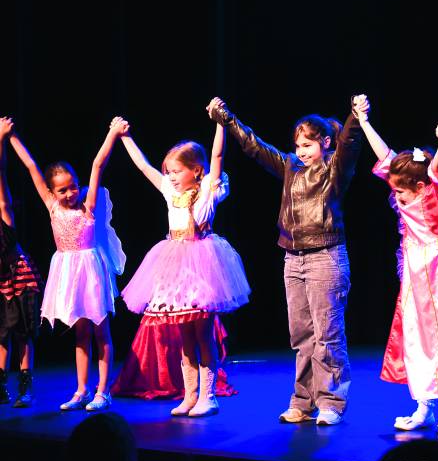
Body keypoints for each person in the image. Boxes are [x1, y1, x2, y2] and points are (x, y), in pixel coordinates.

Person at [207, 95, 364, 425]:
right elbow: (256, 147)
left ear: (324, 142)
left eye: (308, 144)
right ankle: (303, 401)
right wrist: (228, 119)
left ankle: (331, 402)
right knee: (302, 335)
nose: (302, 151)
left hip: (326, 257)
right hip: (293, 259)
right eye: (298, 145)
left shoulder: (335, 168)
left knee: (327, 334)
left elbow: (349, 143)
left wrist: (354, 115)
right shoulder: (291, 167)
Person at [116, 103, 250, 417]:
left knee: (203, 335)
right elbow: (144, 167)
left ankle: (209, 396)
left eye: (177, 171)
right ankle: (189, 395)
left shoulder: (207, 192)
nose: (171, 177)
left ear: (196, 171)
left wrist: (220, 123)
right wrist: (125, 138)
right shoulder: (168, 191)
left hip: (203, 267)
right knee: (184, 337)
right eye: (170, 172)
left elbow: (217, 157)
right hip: (175, 269)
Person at [356, 100, 438, 434]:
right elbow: (385, 156)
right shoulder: (404, 180)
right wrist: (363, 122)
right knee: (416, 335)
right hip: (413, 270)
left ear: (420, 187)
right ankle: (424, 405)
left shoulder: (435, 191)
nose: (396, 197)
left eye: (401, 192)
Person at [9, 118, 127, 411]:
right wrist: (11, 136)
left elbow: (98, 165)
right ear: (52, 192)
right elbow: (32, 168)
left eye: (72, 187)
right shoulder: (51, 206)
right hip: (67, 270)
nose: (69, 194)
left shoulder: (88, 206)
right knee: (80, 332)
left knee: (101, 331)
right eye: (62, 190)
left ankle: (103, 391)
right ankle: (81, 390)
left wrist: (112, 133)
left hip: (90, 269)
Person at [0, 117, 43, 408]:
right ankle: (1, 384)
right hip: (1, 282)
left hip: (19, 277)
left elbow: (0, 174)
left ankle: (25, 386)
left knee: (22, 333)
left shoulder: (4, 215)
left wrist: (1, 139)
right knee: (1, 334)